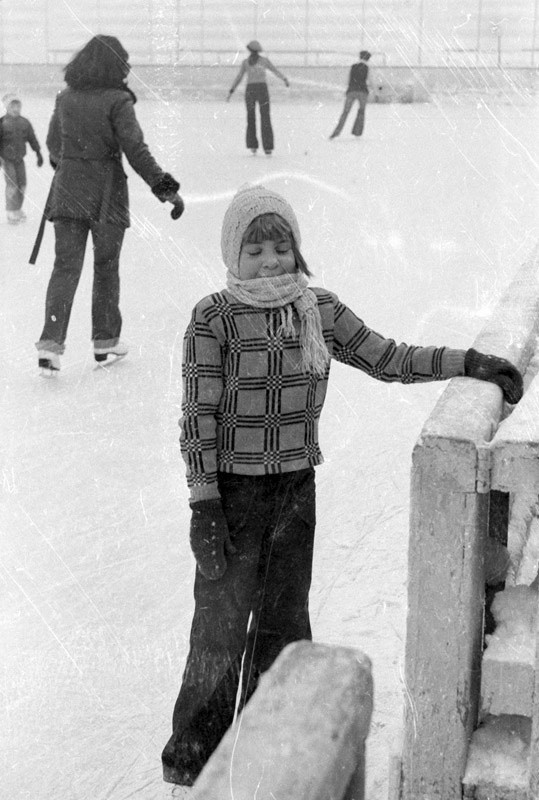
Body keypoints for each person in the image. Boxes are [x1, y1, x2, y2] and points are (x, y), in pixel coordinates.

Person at [161, 183, 523, 787]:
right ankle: (191, 762)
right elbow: (197, 417)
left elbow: (386, 357)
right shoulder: (212, 318)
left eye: (280, 248)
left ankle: (276, 749)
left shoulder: (318, 309)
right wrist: (204, 505)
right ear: (232, 254)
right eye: (255, 251)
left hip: (293, 493)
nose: (270, 262)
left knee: (284, 624)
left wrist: (467, 360)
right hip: (230, 497)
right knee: (219, 632)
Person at [35, 35, 181, 374]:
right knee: (106, 267)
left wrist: (71, 167)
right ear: (114, 65)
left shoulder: (65, 98)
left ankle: (50, 347)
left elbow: (53, 144)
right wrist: (167, 189)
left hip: (68, 192)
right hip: (107, 195)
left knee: (65, 269)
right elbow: (136, 150)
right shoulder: (118, 100)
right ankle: (105, 341)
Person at [226, 40, 289, 156]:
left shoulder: (263, 61)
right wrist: (232, 89)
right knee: (252, 118)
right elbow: (239, 77)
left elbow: (275, 71)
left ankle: (265, 146)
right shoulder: (247, 63)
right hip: (252, 90)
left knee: (264, 117)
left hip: (259, 90)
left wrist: (284, 78)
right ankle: (255, 145)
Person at [0, 93, 43, 224]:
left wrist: (38, 152)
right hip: (7, 159)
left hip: (19, 159)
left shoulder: (24, 122)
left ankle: (17, 209)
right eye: (12, 106)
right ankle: (11, 211)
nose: (16, 108)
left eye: (18, 106)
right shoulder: (2, 122)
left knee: (22, 185)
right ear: (7, 107)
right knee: (12, 185)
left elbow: (32, 138)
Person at [329, 50, 371, 139]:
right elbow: (369, 81)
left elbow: (347, 79)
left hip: (351, 91)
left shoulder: (353, 67)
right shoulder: (367, 68)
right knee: (361, 112)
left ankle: (336, 132)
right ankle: (357, 132)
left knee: (345, 112)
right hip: (362, 92)